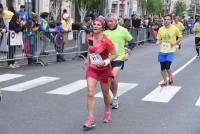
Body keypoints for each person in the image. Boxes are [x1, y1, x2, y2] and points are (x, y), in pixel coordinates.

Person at [83, 17, 117, 129]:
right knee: (90, 92)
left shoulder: (106, 41)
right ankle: (90, 118)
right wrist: (87, 60)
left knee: (105, 94)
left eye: (98, 25)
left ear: (103, 28)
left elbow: (114, 54)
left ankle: (107, 110)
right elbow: (90, 50)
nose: (95, 26)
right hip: (93, 68)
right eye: (94, 24)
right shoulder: (89, 37)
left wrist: (105, 61)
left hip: (104, 70)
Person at [104, 13, 133, 109]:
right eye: (108, 21)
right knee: (112, 80)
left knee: (111, 77)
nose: (109, 23)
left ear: (116, 21)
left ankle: (115, 98)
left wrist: (127, 53)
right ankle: (115, 96)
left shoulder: (123, 30)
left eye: (111, 21)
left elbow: (132, 42)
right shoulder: (105, 32)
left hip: (119, 57)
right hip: (108, 58)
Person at [156, 14, 182, 86]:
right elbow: (159, 39)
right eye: (165, 19)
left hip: (171, 50)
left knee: (167, 66)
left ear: (171, 20)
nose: (166, 21)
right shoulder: (161, 29)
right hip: (162, 50)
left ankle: (170, 77)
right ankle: (165, 81)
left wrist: (175, 43)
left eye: (168, 19)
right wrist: (158, 42)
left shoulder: (174, 28)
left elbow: (180, 37)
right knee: (162, 68)